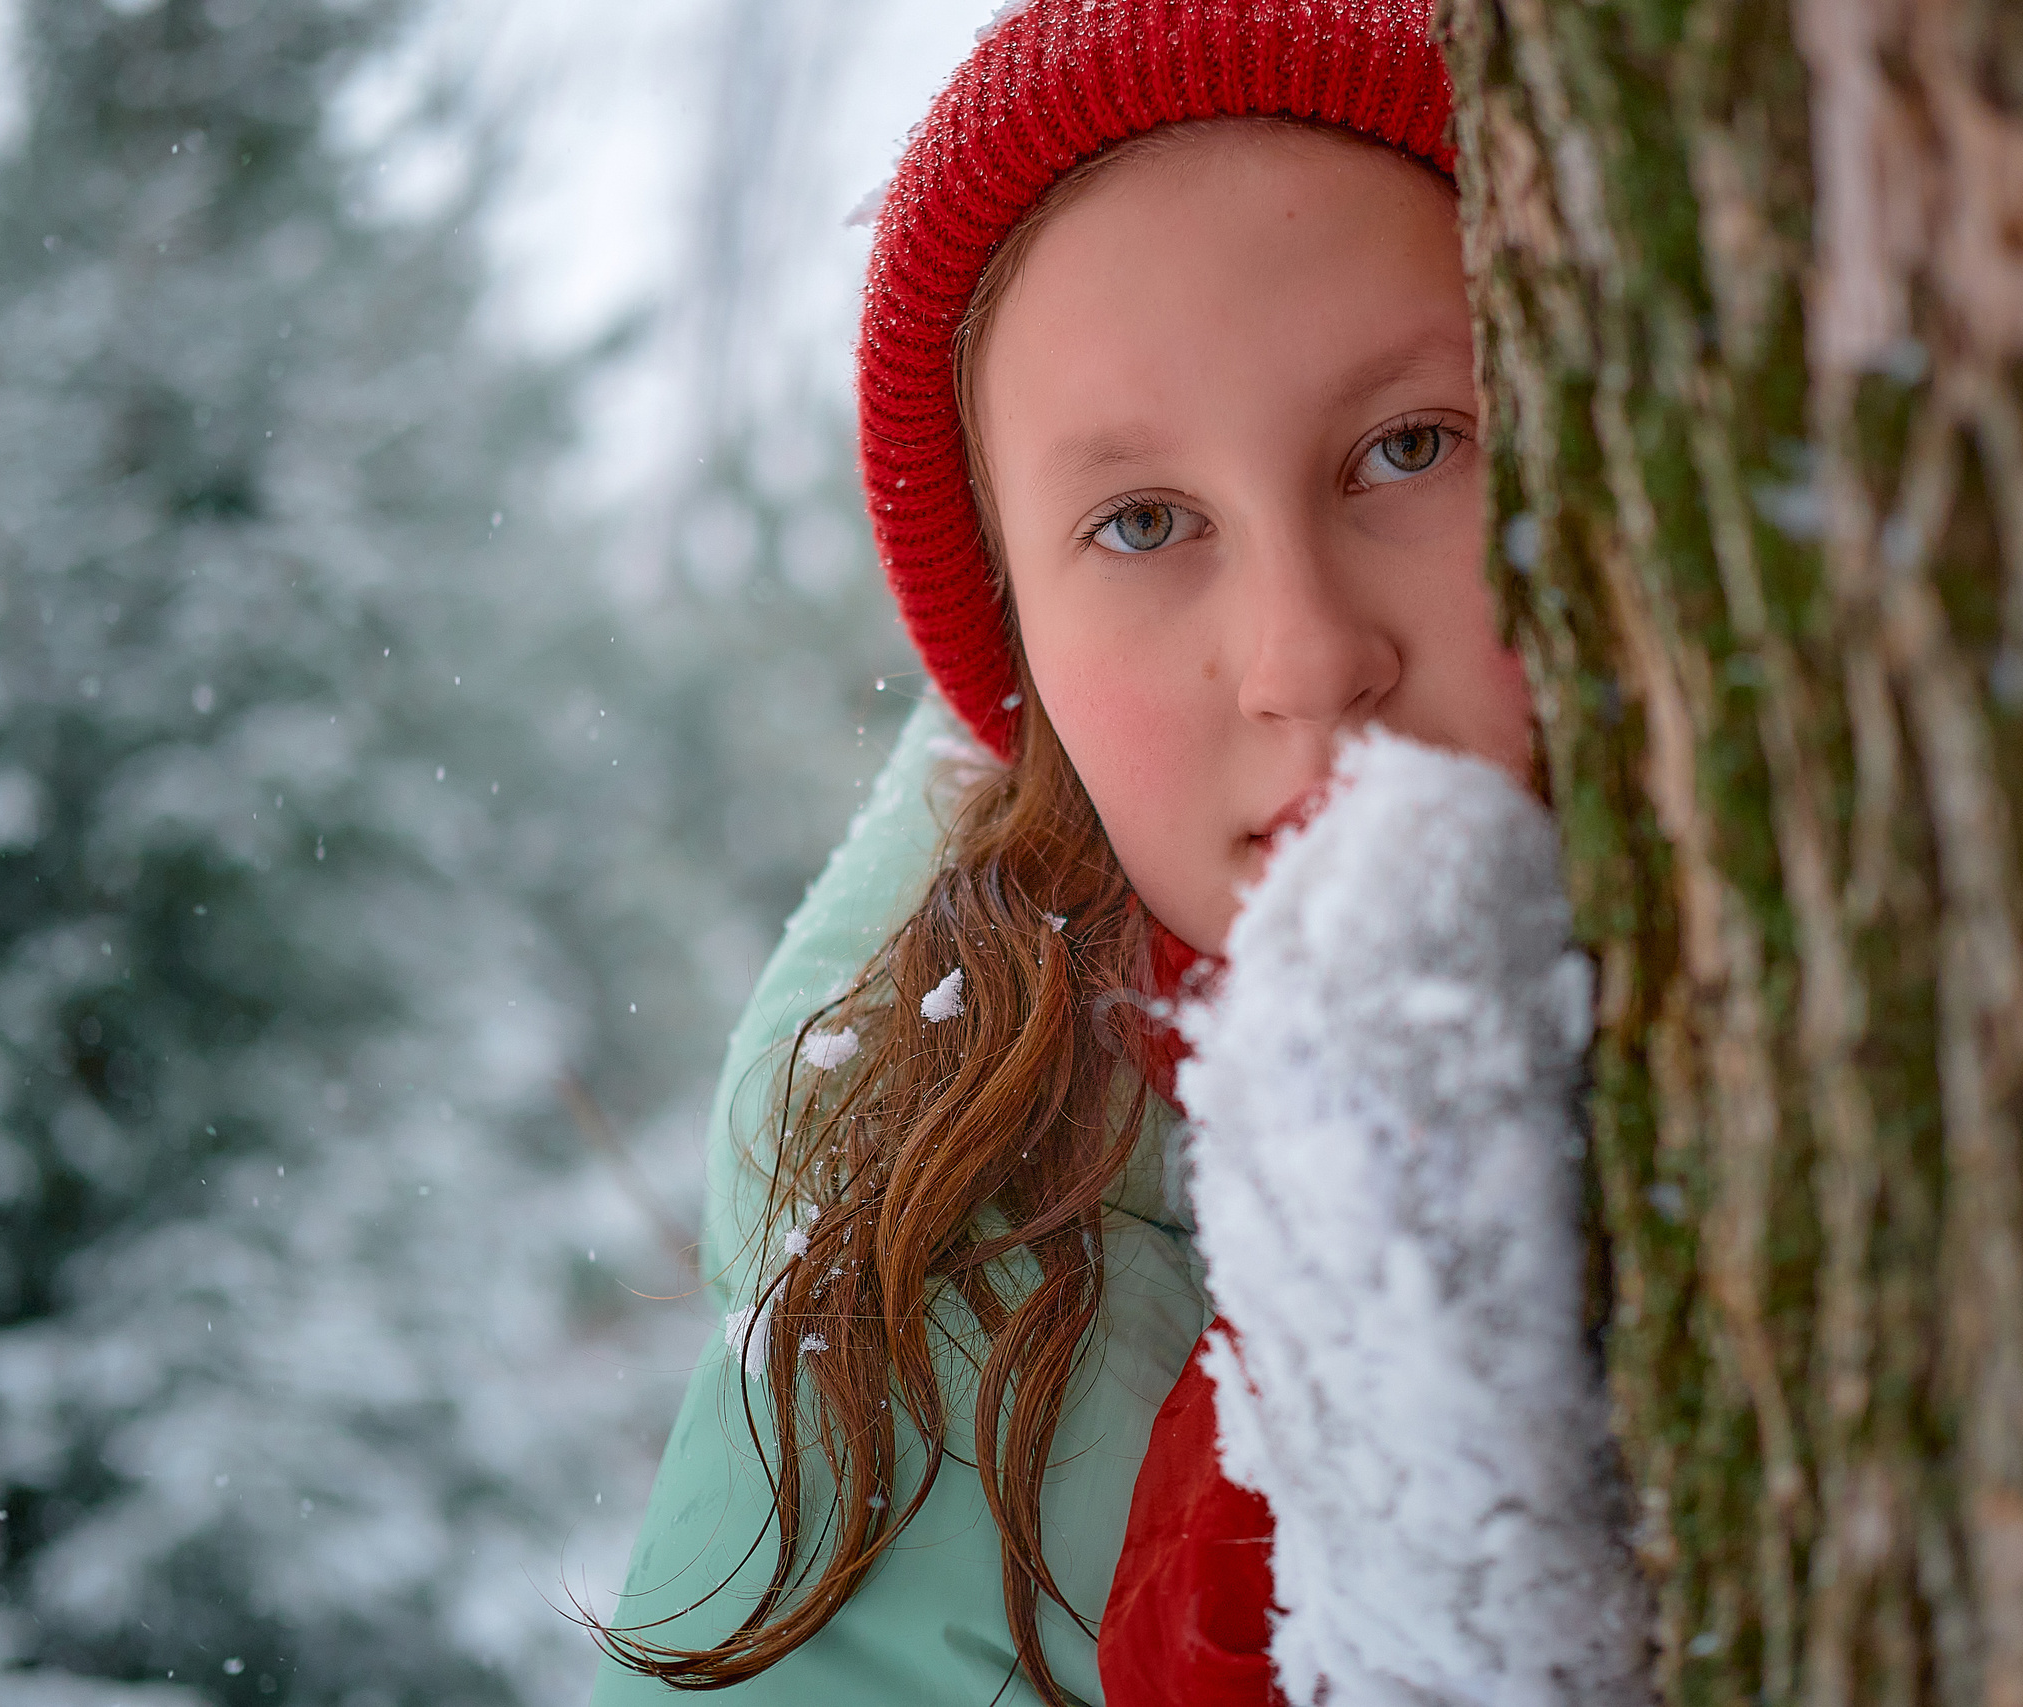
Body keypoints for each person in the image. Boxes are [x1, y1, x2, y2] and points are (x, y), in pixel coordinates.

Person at [587, 2, 1537, 1700]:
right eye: (1144, 524)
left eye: (1410, 447)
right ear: (1021, 662)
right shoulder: (925, 1348)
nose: (1304, 656)